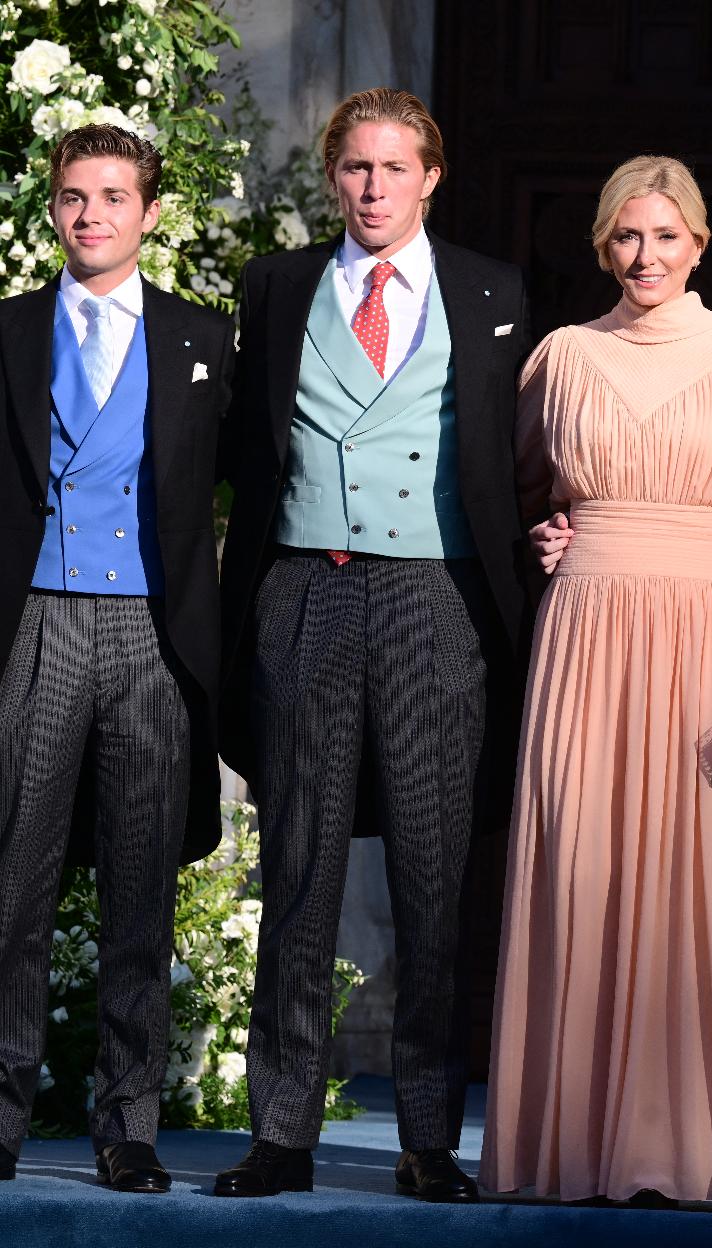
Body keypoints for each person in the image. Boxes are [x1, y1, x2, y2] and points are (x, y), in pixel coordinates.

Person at [213, 88, 531, 1201]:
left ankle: (429, 1140)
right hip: (306, 587)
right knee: (298, 869)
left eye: (395, 168)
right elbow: (239, 441)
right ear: (332, 175)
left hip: (435, 595)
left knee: (433, 876)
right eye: (355, 166)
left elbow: (520, 442)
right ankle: (281, 1132)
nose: (373, 187)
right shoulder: (278, 284)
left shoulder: (492, 291)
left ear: (430, 177)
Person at [479, 155, 712, 1205]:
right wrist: (542, 533)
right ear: (603, 247)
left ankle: (672, 1152)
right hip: (585, 635)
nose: (645, 255)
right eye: (626, 235)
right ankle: (563, 1148)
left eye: (665, 235)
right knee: (578, 864)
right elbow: (519, 488)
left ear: (699, 244)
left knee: (690, 882)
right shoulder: (562, 357)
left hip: (703, 634)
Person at [0, 124, 234, 1192]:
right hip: (33, 622)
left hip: (150, 630)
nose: (89, 215)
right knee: (15, 884)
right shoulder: (8, 328)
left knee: (141, 888)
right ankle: (1, 1112)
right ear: (53, 208)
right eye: (72, 197)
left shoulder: (201, 337)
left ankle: (128, 1125)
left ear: (149, 212)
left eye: (111, 197)